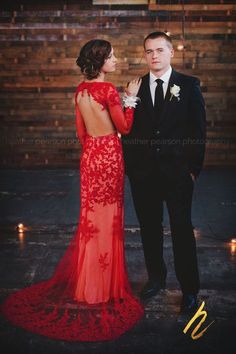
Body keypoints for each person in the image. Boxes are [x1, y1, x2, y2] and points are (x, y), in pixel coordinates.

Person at [0, 39, 144, 341]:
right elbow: (125, 128)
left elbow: (81, 132)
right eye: (112, 56)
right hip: (109, 156)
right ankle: (103, 289)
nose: (116, 60)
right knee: (110, 221)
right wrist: (130, 98)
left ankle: (87, 287)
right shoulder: (107, 91)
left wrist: (95, 146)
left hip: (90, 157)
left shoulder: (79, 91)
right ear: (101, 61)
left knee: (91, 222)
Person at [122, 32, 206, 313]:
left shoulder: (188, 85)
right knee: (149, 230)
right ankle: (156, 278)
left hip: (177, 174)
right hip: (144, 175)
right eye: (149, 51)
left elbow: (198, 131)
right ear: (144, 55)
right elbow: (128, 129)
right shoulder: (135, 87)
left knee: (182, 230)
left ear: (171, 53)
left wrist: (193, 169)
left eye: (159, 50)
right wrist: (132, 169)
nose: (154, 55)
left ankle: (190, 290)